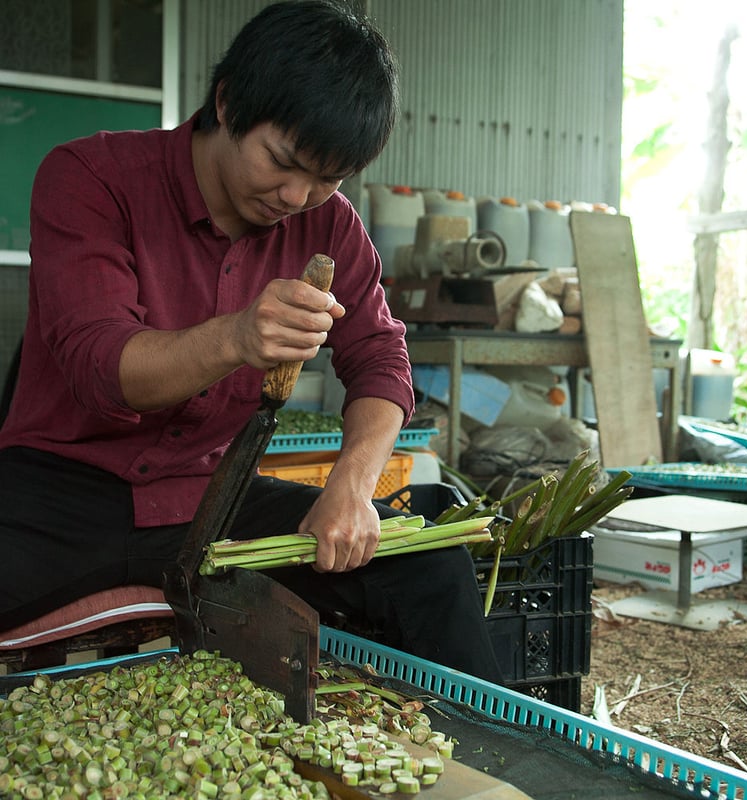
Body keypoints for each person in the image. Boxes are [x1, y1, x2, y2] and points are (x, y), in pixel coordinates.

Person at [0, 0, 503, 683]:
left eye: (329, 178)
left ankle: (468, 776)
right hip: (58, 497)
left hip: (212, 500)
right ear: (229, 103)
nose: (299, 195)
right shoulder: (92, 180)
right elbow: (101, 369)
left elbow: (381, 358)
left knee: (428, 567)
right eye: (285, 162)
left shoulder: (330, 224)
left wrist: (350, 488)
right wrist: (235, 337)